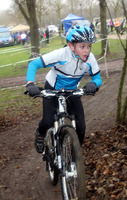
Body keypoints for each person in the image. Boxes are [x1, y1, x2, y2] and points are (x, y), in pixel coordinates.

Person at [26, 25, 102, 153]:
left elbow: (98, 78)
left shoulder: (90, 59)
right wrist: (30, 84)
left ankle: (74, 157)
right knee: (48, 121)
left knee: (81, 126)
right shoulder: (61, 55)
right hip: (53, 89)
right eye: (82, 46)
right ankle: (40, 133)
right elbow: (34, 64)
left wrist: (93, 84)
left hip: (72, 91)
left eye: (89, 46)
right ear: (71, 46)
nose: (86, 51)